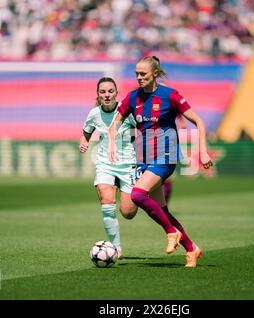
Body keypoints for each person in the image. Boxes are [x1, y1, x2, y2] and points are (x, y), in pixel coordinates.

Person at [108, 56, 213, 268]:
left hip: (166, 155)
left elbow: (199, 122)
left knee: (138, 194)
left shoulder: (169, 95)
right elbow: (114, 123)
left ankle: (171, 232)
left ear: (155, 73)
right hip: (143, 158)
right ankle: (192, 249)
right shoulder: (132, 97)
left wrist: (203, 152)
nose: (139, 77)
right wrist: (111, 142)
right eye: (136, 74)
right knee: (159, 210)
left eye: (143, 74)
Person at [80, 77, 138, 259]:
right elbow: (86, 132)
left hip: (128, 164)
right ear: (98, 94)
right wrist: (84, 143)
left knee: (128, 212)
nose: (107, 95)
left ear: (116, 93)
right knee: (106, 203)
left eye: (110, 91)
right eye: (103, 92)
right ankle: (116, 248)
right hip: (105, 163)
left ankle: (141, 191)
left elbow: (144, 128)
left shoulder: (126, 111)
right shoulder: (94, 114)